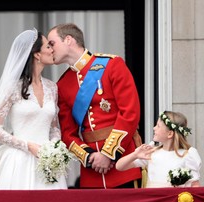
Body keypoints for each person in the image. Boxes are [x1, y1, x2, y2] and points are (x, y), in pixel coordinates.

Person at [47, 23, 142, 188]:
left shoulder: (112, 65)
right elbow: (67, 133)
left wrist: (108, 153)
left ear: (68, 40)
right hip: (92, 172)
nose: (49, 49)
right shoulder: (62, 84)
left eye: (52, 43)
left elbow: (130, 113)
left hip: (123, 164)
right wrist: (89, 157)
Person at [0, 28, 68, 190]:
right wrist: (28, 146)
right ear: (37, 54)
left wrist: (53, 148)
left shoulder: (52, 87)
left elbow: (54, 127)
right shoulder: (13, 87)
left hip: (48, 161)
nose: (52, 50)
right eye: (48, 46)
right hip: (18, 160)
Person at [116, 111, 202, 188]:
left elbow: (195, 185)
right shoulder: (152, 152)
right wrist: (135, 155)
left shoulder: (188, 154)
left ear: (170, 134)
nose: (154, 128)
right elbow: (119, 166)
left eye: (158, 126)